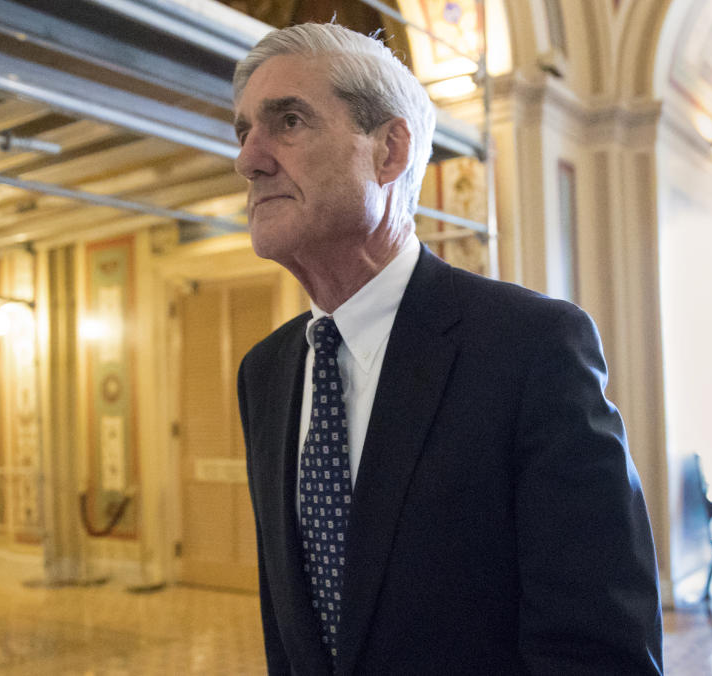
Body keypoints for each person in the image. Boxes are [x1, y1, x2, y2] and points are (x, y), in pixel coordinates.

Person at [233, 22, 663, 675]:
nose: (249, 159)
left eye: (287, 121)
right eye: (242, 132)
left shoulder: (532, 347)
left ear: (390, 149)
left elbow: (599, 652)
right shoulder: (263, 372)